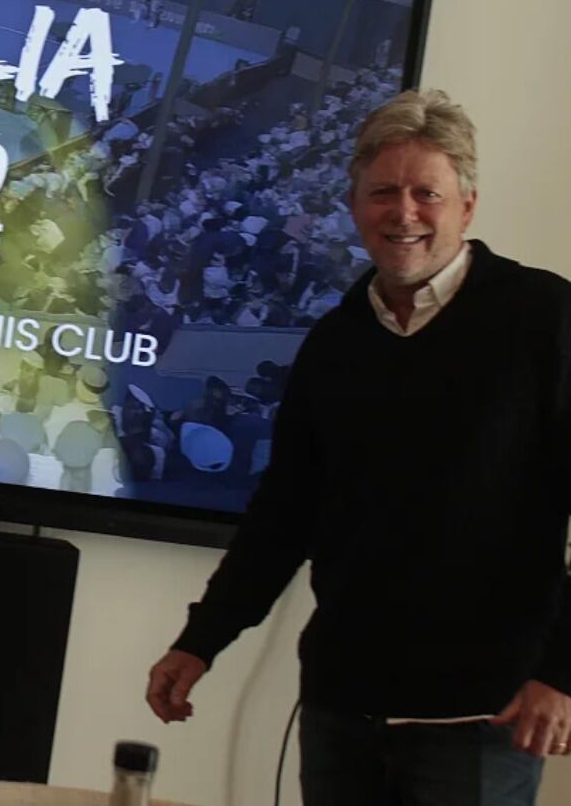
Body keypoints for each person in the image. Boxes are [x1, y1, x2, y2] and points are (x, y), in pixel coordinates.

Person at [144, 90, 571, 804]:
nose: (403, 213)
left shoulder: (546, 321)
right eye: (383, 193)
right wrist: (201, 640)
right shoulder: (335, 343)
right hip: (342, 710)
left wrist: (562, 671)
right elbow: (283, 515)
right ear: (353, 206)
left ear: (467, 204)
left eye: (425, 193)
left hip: (481, 721)